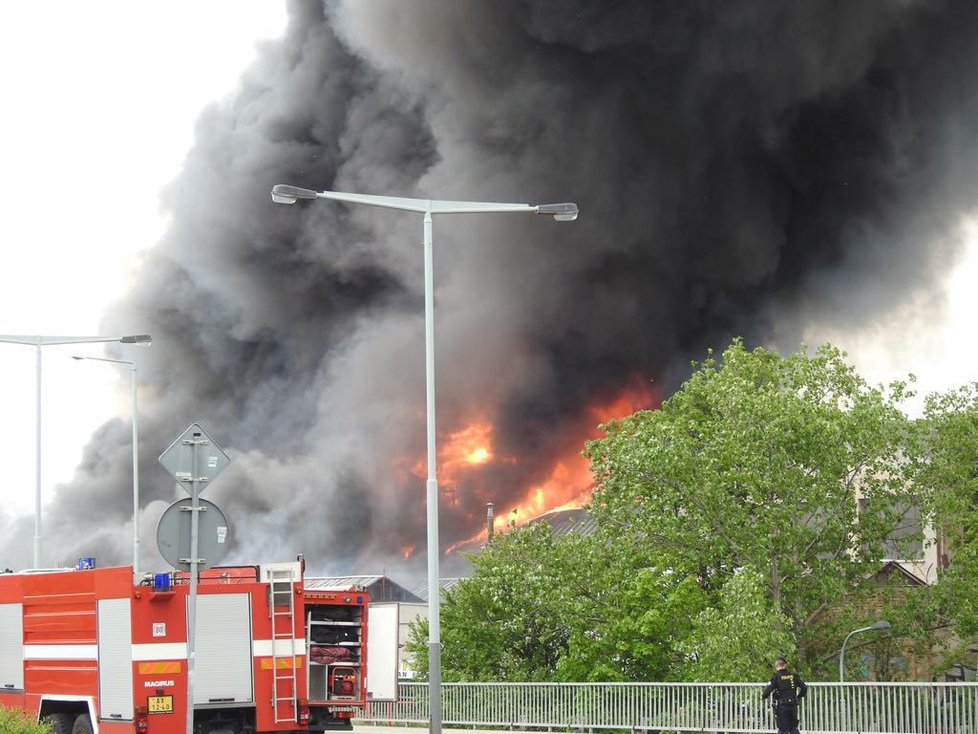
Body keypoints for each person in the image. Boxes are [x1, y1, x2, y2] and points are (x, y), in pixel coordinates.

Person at [762, 656, 808, 734]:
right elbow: (804, 688)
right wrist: (799, 697)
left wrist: (763, 697)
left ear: (776, 666)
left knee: (783, 730)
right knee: (793, 729)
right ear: (785, 665)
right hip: (793, 705)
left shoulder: (776, 677)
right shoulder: (794, 675)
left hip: (782, 707)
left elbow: (767, 691)